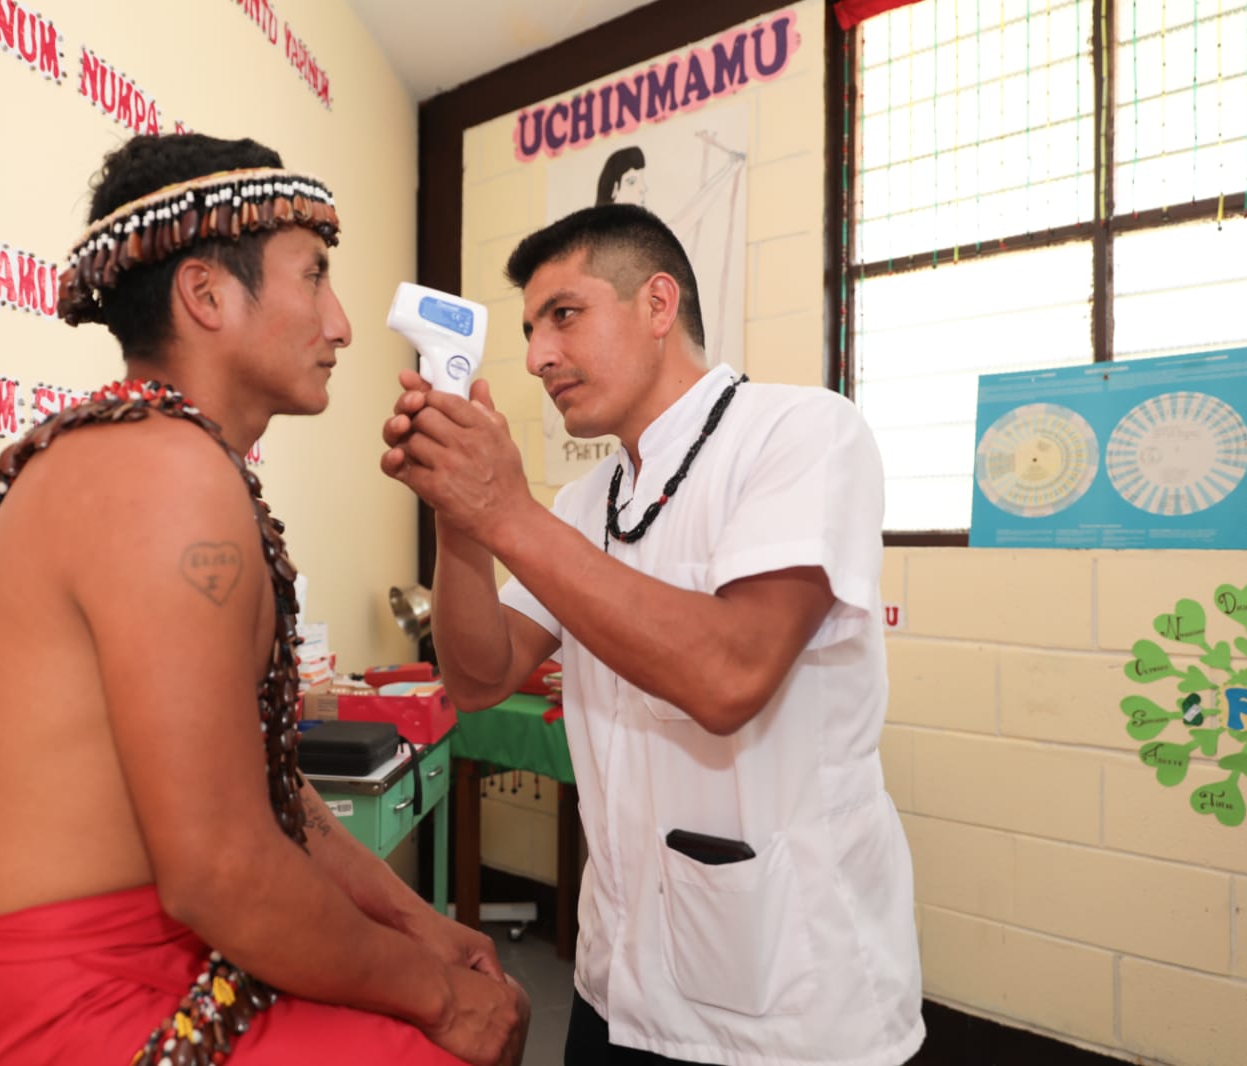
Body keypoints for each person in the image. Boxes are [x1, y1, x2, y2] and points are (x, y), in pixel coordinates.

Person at [0, 133, 528, 1066]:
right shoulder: (165, 474)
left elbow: (272, 800)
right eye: (314, 277)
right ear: (206, 296)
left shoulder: (148, 452)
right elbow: (223, 873)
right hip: (83, 1006)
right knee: (475, 1031)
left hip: (135, 957)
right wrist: (440, 995)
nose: (344, 323)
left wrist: (422, 928)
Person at [381, 204, 923, 1066]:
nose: (537, 356)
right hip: (617, 980)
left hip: (786, 1001)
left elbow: (728, 676)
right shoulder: (586, 503)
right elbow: (483, 675)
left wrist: (506, 511)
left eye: (565, 314)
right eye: (527, 330)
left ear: (659, 304)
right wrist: (460, 521)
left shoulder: (802, 434)